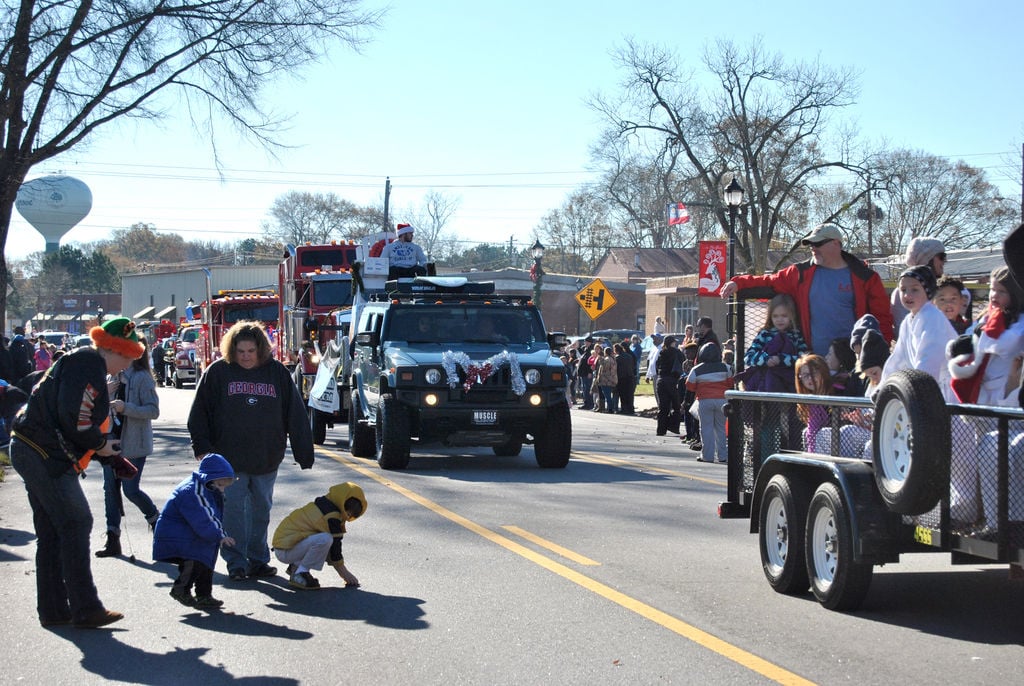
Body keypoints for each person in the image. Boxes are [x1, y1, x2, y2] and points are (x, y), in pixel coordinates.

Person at [8, 317, 145, 628]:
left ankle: (54, 609)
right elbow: (78, 420)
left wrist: (106, 456)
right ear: (115, 350)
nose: (126, 366)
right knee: (76, 521)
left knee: (53, 531)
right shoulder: (88, 366)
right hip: (45, 456)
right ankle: (85, 608)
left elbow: (69, 418)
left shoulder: (80, 362)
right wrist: (101, 446)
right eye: (127, 357)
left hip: (32, 448)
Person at [188, 320, 314, 582]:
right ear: (232, 350)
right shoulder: (218, 372)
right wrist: (203, 448)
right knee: (233, 512)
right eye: (240, 352)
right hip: (227, 459)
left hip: (266, 456)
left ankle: (258, 560)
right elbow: (199, 412)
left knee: (261, 511)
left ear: (261, 350)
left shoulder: (276, 373)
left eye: (250, 352)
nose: (245, 357)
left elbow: (295, 414)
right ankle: (235, 562)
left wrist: (304, 452)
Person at [720, 223, 894, 355]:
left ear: (836, 244)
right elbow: (770, 281)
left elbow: (883, 319)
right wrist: (739, 283)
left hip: (855, 360)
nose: (813, 248)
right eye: (811, 244)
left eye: (818, 244)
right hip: (813, 363)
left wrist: (880, 352)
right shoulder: (800, 273)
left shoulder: (866, 277)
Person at [95, 336, 161, 558]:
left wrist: (126, 407)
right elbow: (97, 407)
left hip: (134, 444)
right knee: (110, 490)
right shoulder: (111, 375)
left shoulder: (142, 378)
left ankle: (156, 521)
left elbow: (153, 411)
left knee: (130, 489)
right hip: (110, 441)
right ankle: (113, 538)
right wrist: (105, 391)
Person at [153, 453, 237, 608]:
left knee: (206, 561)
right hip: (180, 534)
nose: (222, 489)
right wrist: (220, 535)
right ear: (209, 478)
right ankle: (181, 589)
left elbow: (210, 516)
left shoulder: (206, 488)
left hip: (192, 532)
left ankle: (204, 594)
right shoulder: (194, 491)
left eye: (224, 486)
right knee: (194, 561)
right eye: (219, 485)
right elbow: (204, 517)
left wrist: (218, 534)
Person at [880, 265, 957, 400]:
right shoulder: (907, 322)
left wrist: (916, 389)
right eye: (903, 290)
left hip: (944, 390)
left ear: (927, 291)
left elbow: (929, 359)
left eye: (915, 289)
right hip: (921, 388)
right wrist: (884, 388)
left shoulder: (933, 317)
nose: (907, 295)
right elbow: (898, 359)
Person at [271, 482, 367, 590]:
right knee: (325, 539)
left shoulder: (325, 504)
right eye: (348, 512)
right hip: (285, 550)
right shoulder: (332, 516)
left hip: (284, 546)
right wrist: (345, 574)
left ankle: (296, 567)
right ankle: (301, 573)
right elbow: (335, 548)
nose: (347, 516)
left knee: (321, 537)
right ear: (342, 502)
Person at [735, 293, 808, 393]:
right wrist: (765, 359)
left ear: (792, 316)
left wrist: (781, 359)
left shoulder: (796, 335)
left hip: (788, 383)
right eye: (775, 316)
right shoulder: (764, 334)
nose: (779, 320)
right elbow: (748, 357)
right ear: (770, 316)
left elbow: (803, 359)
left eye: (784, 316)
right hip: (765, 383)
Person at [685, 342, 732, 463]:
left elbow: (690, 386)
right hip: (722, 401)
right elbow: (731, 383)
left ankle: (707, 456)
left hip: (704, 401)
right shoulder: (726, 367)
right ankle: (723, 456)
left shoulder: (696, 369)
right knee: (720, 428)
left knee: (706, 428)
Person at [891, 237, 946, 335]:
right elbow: (904, 333)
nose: (945, 261)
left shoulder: (947, 288)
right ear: (927, 258)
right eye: (942, 257)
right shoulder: (902, 293)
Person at [794, 354, 835, 453]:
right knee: (805, 432)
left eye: (814, 373)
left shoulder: (838, 393)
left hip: (839, 446)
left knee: (823, 434)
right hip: (819, 449)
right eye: (805, 375)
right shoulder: (811, 402)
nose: (810, 378)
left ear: (823, 372)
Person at [654, 336, 683, 435]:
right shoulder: (677, 352)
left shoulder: (661, 353)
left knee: (663, 407)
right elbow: (682, 361)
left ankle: (661, 430)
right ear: (672, 343)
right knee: (676, 405)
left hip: (661, 380)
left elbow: (657, 366)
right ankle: (673, 426)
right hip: (672, 380)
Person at [595, 345, 618, 413]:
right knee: (609, 395)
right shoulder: (613, 359)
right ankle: (611, 407)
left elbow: (604, 369)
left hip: (606, 380)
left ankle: (610, 408)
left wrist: (601, 359)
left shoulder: (607, 359)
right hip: (612, 379)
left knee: (607, 395)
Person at [614, 343, 635, 415]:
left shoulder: (617, 358)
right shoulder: (629, 356)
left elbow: (616, 369)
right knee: (630, 394)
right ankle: (631, 408)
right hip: (630, 376)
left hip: (622, 377)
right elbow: (633, 365)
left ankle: (624, 409)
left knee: (623, 394)